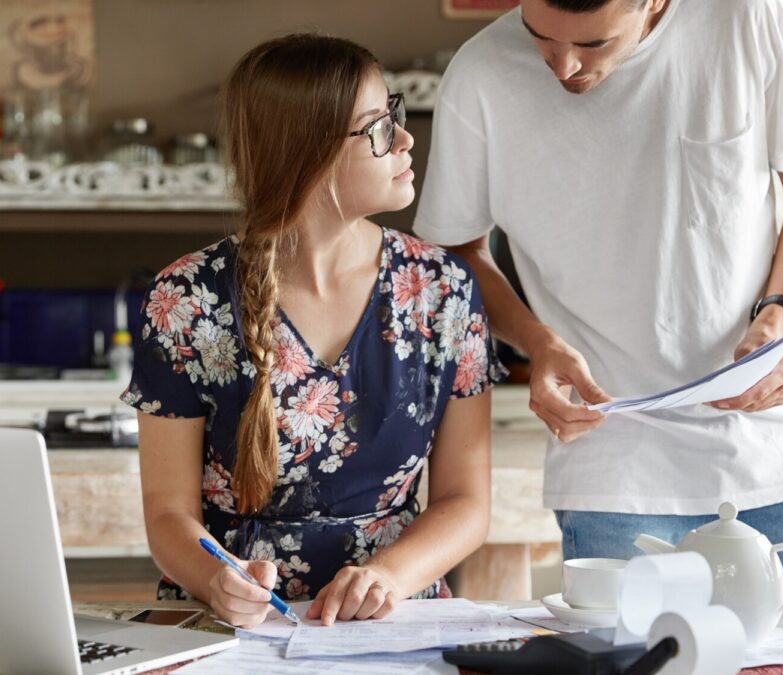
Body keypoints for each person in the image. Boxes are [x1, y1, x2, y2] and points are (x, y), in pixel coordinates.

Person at [414, 0, 783, 634]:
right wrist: (538, 342)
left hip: (776, 455)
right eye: (540, 37)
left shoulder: (746, 16)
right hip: (614, 472)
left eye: (593, 45)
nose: (562, 66)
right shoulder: (480, 73)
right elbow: (455, 253)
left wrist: (777, 313)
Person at [124, 33, 501, 629]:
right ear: (310, 151)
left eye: (395, 116)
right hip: (231, 631)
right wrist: (220, 581)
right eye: (378, 127)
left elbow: (466, 504)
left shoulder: (442, 290)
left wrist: (389, 577)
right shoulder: (184, 299)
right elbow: (167, 514)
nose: (404, 140)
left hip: (391, 626)